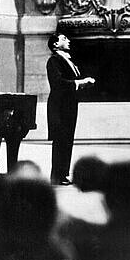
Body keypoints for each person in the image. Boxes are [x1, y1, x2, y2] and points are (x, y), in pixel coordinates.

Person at [47, 33, 95, 185]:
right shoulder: (54, 60)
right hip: (59, 106)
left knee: (67, 140)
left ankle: (63, 174)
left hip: (69, 105)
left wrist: (83, 83)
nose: (68, 41)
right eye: (64, 39)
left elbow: (71, 81)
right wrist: (80, 82)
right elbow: (58, 82)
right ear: (55, 45)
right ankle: (57, 175)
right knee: (60, 139)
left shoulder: (69, 60)